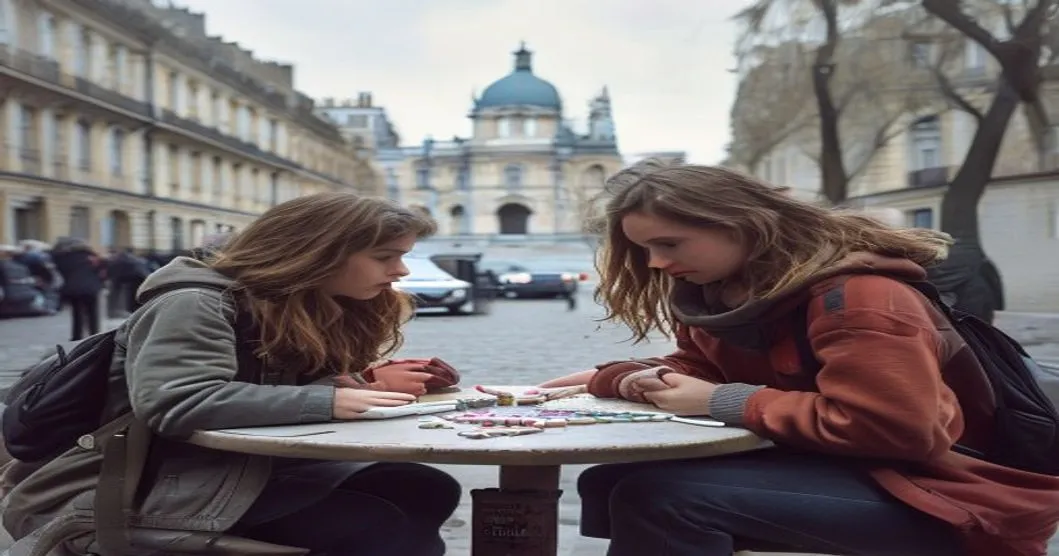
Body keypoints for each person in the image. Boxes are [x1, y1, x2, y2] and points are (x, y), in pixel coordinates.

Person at [540, 160, 1059, 556]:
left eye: (669, 243)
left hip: (949, 496)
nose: (656, 263)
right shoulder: (723, 294)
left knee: (660, 498)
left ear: (742, 224)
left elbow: (900, 430)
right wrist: (624, 377)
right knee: (606, 481)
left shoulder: (860, 297)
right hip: (856, 471)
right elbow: (705, 369)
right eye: (645, 249)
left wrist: (724, 401)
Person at [4, 193, 462, 556]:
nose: (400, 270)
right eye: (386, 256)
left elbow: (269, 391)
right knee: (383, 527)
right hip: (139, 482)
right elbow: (177, 402)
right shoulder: (196, 303)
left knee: (425, 485)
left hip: (229, 467)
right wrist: (332, 400)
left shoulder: (306, 303)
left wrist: (364, 382)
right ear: (319, 252)